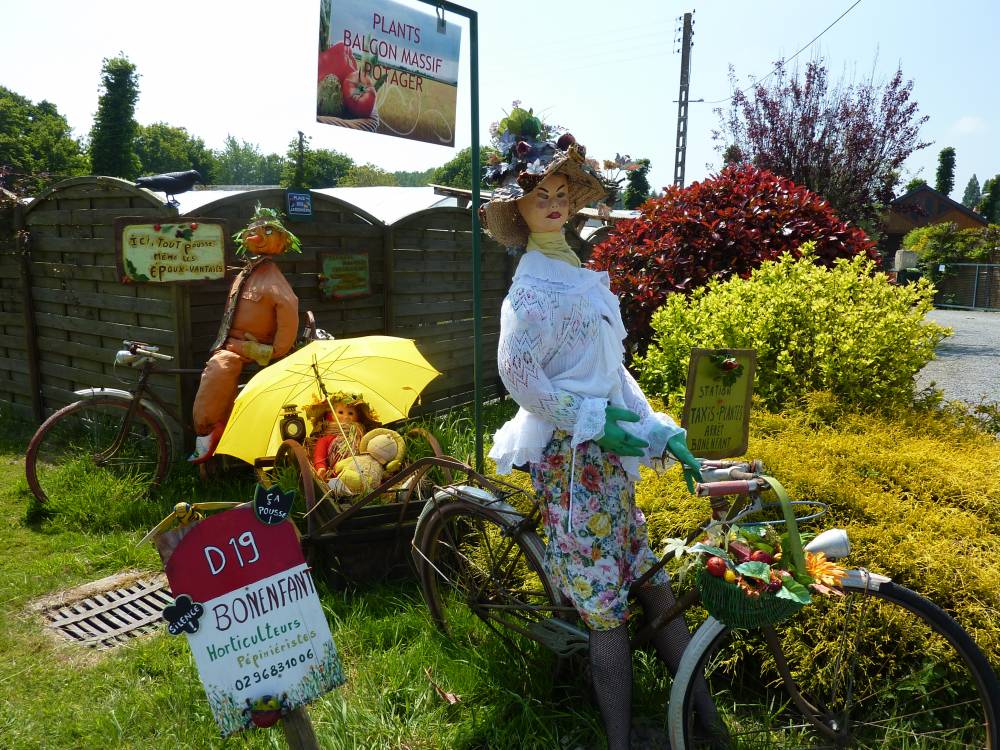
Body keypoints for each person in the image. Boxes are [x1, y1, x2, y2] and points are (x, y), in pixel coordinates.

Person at [482, 109, 719, 749]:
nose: (554, 204)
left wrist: (656, 430)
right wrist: (589, 421)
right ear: (520, 209)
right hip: (570, 463)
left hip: (608, 463)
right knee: (607, 610)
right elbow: (518, 374)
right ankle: (620, 739)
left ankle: (707, 721)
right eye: (540, 195)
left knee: (652, 581)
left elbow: (608, 372)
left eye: (561, 194)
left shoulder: (582, 281)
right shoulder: (530, 292)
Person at [189, 206, 301, 463]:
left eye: (267, 230)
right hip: (230, 343)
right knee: (222, 372)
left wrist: (274, 350)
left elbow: (289, 309)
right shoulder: (247, 272)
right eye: (253, 230)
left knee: (221, 366)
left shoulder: (272, 279)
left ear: (281, 240)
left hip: (246, 348)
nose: (256, 234)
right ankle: (222, 432)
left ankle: (204, 435)